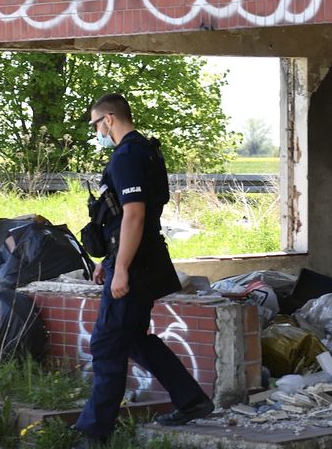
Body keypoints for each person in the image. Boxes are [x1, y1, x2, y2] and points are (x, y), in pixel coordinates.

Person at [74, 93, 214, 447]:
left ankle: (94, 433)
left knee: (107, 342)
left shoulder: (126, 157)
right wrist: (109, 264)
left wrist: (121, 269)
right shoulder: (145, 151)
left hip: (135, 266)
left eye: (95, 125)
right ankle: (191, 399)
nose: (96, 132)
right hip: (143, 259)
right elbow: (124, 219)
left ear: (108, 118)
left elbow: (134, 214)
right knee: (133, 337)